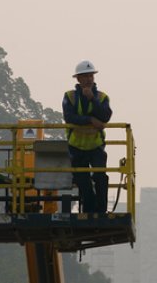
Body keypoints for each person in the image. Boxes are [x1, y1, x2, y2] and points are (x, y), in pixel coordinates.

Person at [62, 60, 112, 213]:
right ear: (78, 79)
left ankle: (101, 211)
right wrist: (90, 120)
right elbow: (69, 117)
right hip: (76, 147)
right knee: (82, 181)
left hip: (96, 146)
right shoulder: (69, 97)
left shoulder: (102, 97)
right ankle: (89, 211)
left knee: (100, 178)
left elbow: (105, 116)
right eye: (85, 76)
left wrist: (92, 98)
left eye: (90, 76)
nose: (88, 79)